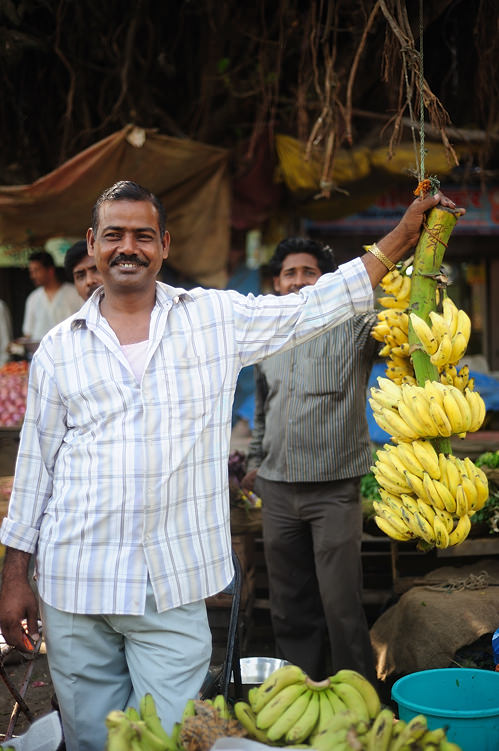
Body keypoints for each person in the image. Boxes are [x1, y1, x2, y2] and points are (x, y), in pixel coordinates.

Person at [0, 181, 459, 751]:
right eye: (114, 235)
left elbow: (309, 307)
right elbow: (37, 465)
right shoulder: (57, 349)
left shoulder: (213, 318)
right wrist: (15, 573)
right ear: (92, 244)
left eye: (143, 236)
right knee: (93, 739)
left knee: (170, 736)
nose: (128, 247)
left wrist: (399, 240)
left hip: (172, 582)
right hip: (76, 582)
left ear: (164, 246)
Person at [242, 237, 382, 684]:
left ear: (327, 280)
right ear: (277, 282)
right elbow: (262, 410)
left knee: (341, 604)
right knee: (289, 605)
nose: (299, 280)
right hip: (278, 491)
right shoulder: (269, 336)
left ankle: (356, 692)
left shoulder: (355, 326)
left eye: (309, 272)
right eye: (289, 273)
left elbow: (404, 326)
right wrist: (255, 462)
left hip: (334, 491)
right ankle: (298, 691)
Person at [22, 250, 82, 341]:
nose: (33, 276)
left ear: (50, 270)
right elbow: (28, 332)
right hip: (40, 352)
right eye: (31, 272)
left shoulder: (74, 293)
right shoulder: (33, 298)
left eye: (36, 270)